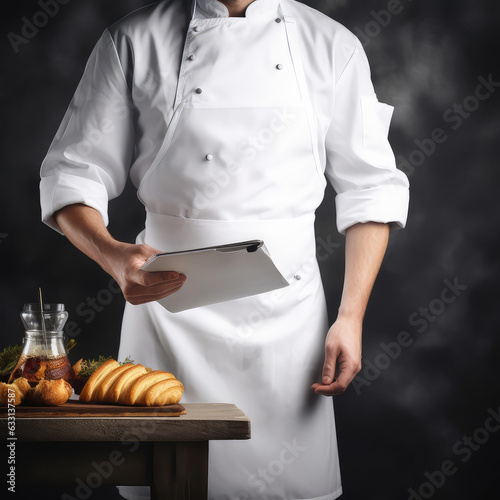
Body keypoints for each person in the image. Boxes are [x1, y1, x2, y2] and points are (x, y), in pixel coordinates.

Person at [40, 0, 410, 498]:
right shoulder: (133, 40)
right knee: (162, 482)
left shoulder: (332, 45)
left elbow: (370, 191)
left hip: (288, 325)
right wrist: (111, 255)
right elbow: (71, 173)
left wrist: (351, 317)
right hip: (167, 315)